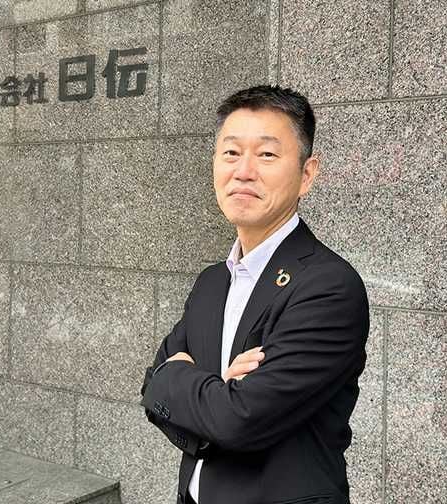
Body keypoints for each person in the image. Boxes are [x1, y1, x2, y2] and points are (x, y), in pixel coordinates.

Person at [140, 85, 370, 504]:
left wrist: (185, 383)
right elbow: (151, 390)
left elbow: (238, 420)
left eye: (266, 154)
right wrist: (215, 395)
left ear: (306, 174)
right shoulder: (213, 282)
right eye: (231, 152)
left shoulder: (328, 287)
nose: (243, 171)